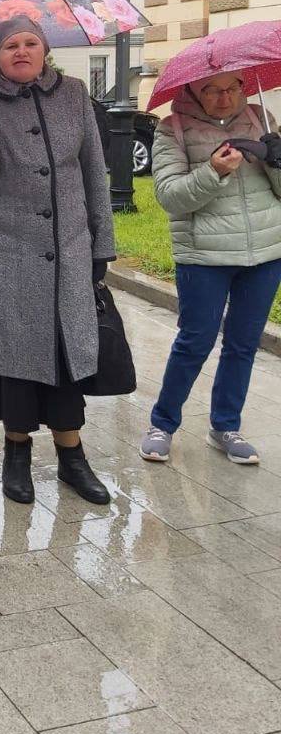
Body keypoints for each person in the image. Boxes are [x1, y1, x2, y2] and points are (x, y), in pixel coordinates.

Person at [0, 16, 115, 507]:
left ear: (44, 49)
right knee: (16, 361)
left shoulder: (74, 93)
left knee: (65, 353)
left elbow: (95, 173)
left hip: (70, 248)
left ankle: (72, 457)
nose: (21, 51)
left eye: (30, 43)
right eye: (9, 45)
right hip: (7, 253)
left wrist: (102, 247)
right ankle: (16, 453)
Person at [140, 72, 281, 465]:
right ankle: (162, 424)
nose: (225, 98)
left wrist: (276, 160)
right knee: (194, 342)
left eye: (233, 87)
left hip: (265, 253)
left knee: (243, 344)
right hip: (205, 256)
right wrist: (214, 171)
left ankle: (225, 426)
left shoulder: (261, 117)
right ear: (192, 92)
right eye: (212, 91)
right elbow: (170, 197)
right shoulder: (174, 129)